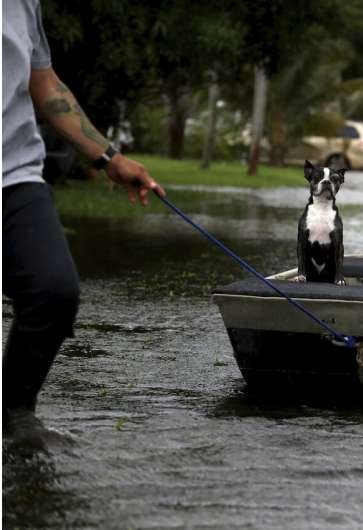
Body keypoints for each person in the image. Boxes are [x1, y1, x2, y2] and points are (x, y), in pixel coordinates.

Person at [3, 0, 164, 436]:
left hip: (13, 175)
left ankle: (14, 415)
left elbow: (44, 82)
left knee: (52, 291)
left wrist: (108, 156)